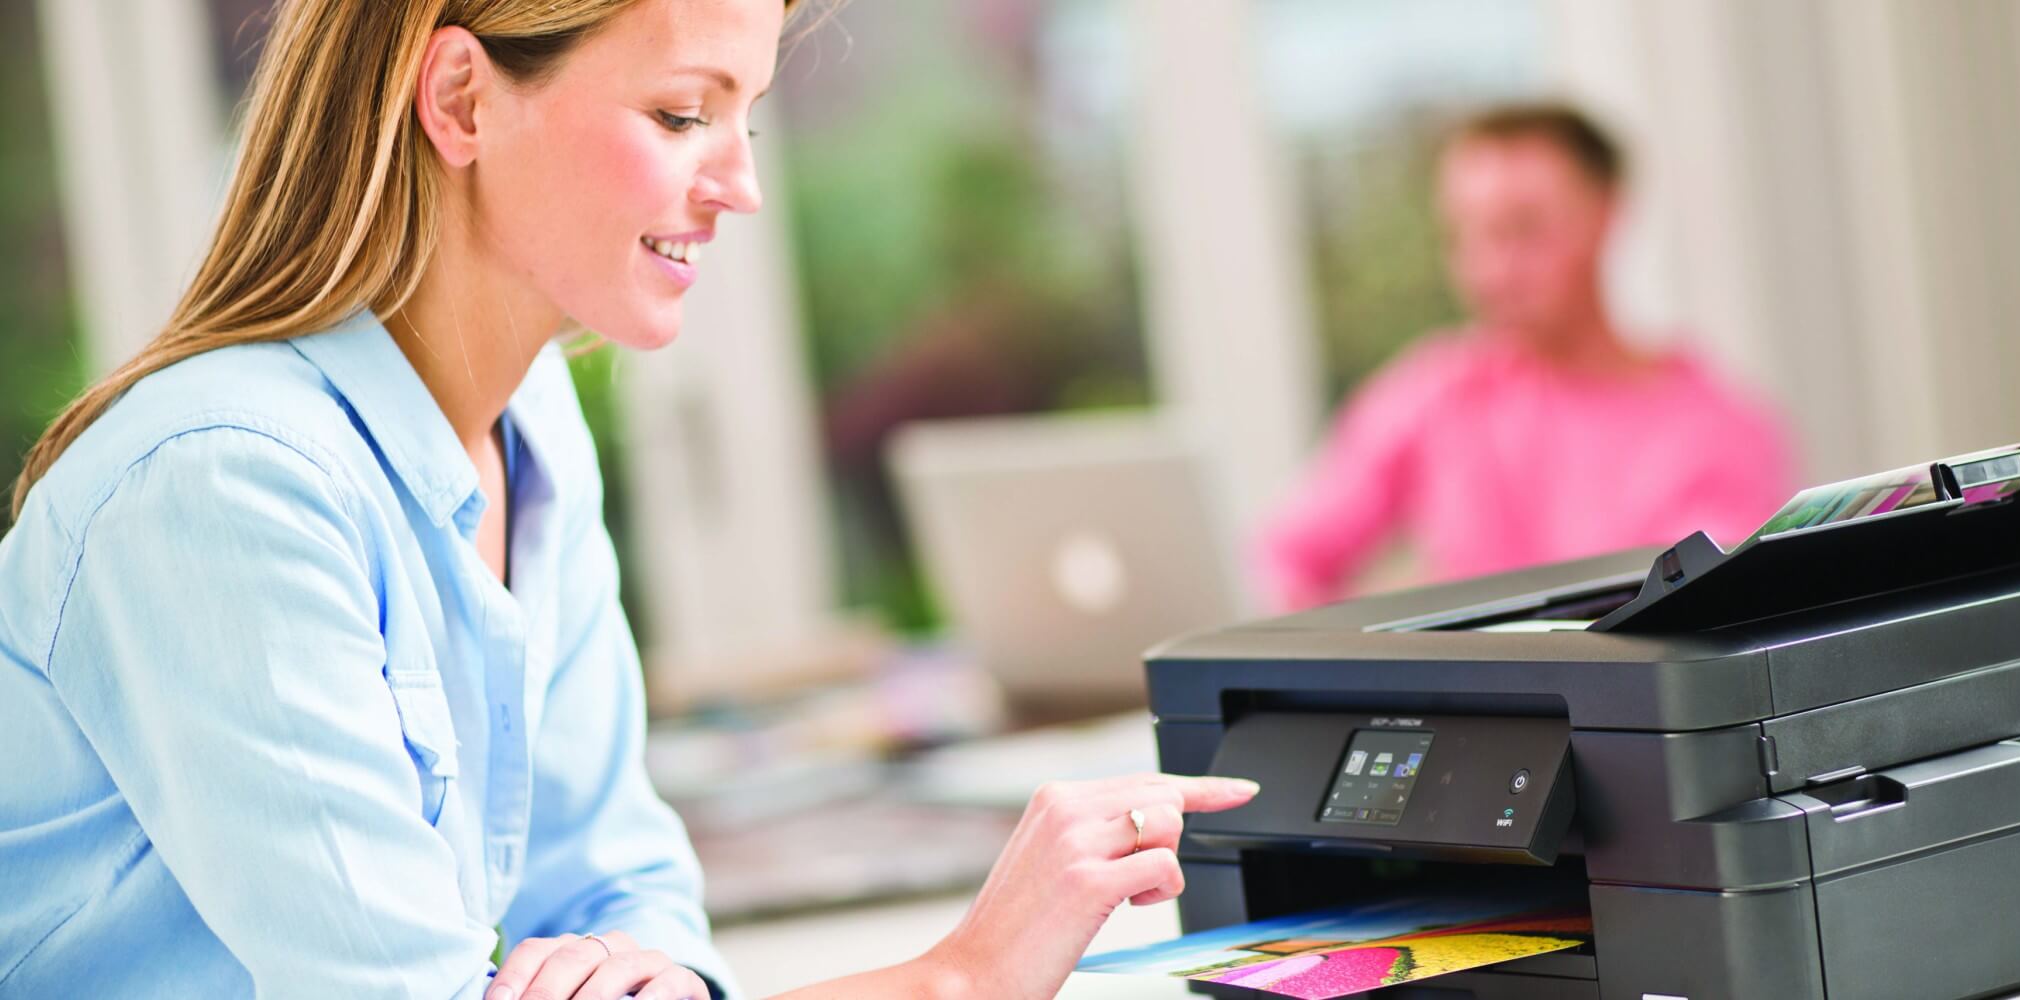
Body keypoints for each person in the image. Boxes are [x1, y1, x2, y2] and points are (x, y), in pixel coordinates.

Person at [0, 2, 1255, 999]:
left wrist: (647, 969)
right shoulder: (223, 486)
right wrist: (957, 978)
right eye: (679, 113)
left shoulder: (531, 425)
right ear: (460, 99)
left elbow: (619, 880)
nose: (739, 185)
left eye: (745, 118)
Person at [1258, 104, 1797, 611]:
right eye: (1465, 235)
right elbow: (1287, 558)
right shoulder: (1436, 391)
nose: (1490, 269)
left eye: (1522, 230)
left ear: (1606, 214)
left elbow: (1699, 622)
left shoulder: (1716, 429)